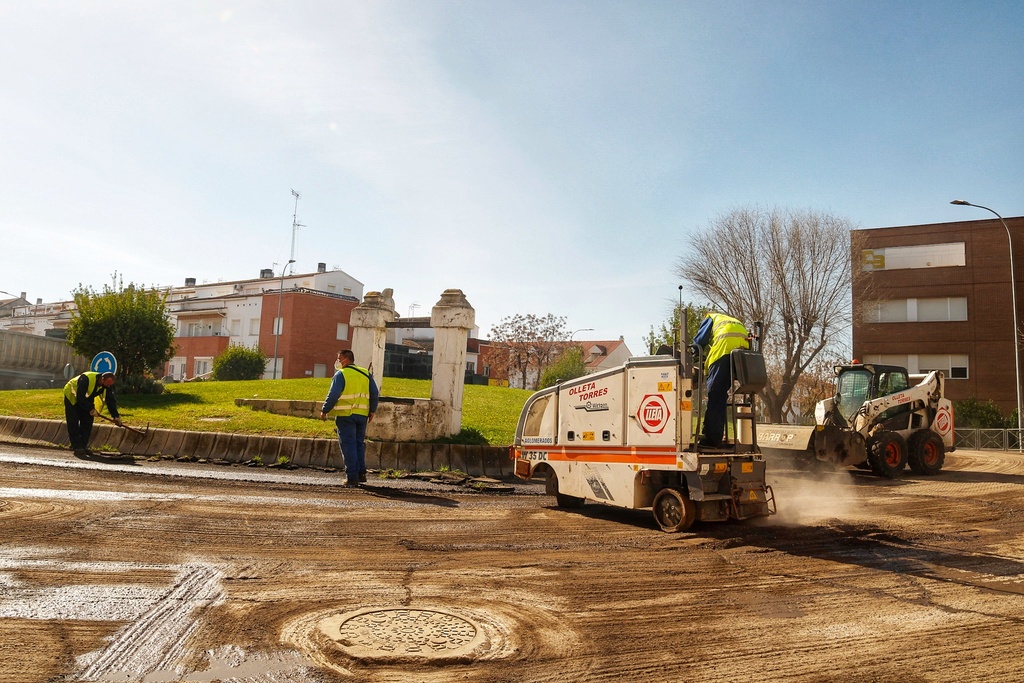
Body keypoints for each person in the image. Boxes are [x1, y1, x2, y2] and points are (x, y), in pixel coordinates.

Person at [320, 349, 379, 487]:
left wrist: (325, 410)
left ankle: (352, 478)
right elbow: (374, 393)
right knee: (359, 444)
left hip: (346, 415)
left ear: (346, 360)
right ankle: (361, 474)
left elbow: (333, 395)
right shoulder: (365, 373)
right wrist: (372, 410)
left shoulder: (341, 374)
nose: (338, 362)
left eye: (339, 359)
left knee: (348, 445)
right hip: (362, 415)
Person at [694, 312, 749, 447]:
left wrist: (693, 354)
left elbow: (699, 341)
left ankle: (712, 438)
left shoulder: (709, 318)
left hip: (724, 348)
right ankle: (716, 433)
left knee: (715, 394)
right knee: (721, 394)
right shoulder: (731, 320)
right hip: (742, 351)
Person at [63, 370, 121, 456]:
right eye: (107, 384)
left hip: (86, 398)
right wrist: (90, 409)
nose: (108, 386)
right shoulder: (86, 378)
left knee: (87, 422)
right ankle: (77, 446)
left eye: (110, 385)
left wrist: (116, 416)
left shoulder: (107, 386)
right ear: (102, 379)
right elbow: (80, 397)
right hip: (72, 396)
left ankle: (83, 445)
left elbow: (111, 401)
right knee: (73, 422)